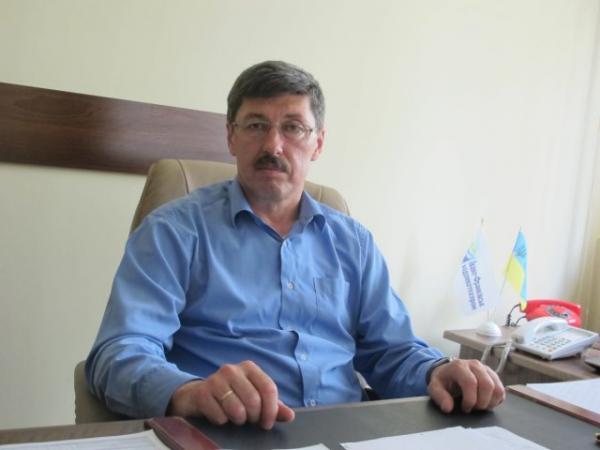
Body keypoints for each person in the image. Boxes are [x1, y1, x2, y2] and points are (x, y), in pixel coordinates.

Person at [86, 60, 505, 431]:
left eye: (292, 127)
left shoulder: (353, 243)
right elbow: (118, 354)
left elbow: (391, 351)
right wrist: (189, 392)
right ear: (231, 136)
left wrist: (437, 370)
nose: (273, 145)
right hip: (226, 433)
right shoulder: (174, 232)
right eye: (256, 125)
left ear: (317, 142)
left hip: (347, 432)